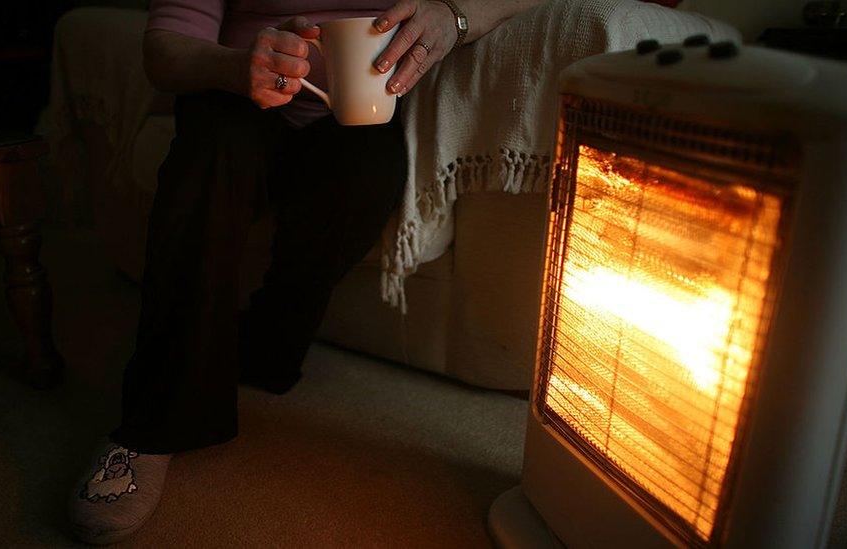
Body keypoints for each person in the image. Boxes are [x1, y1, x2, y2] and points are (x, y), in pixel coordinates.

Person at [67, 0, 540, 543]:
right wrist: (233, 65)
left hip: (357, 108)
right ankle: (151, 424)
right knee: (213, 151)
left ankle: (269, 339)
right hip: (233, 95)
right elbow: (165, 46)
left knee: (368, 171)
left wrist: (454, 15)